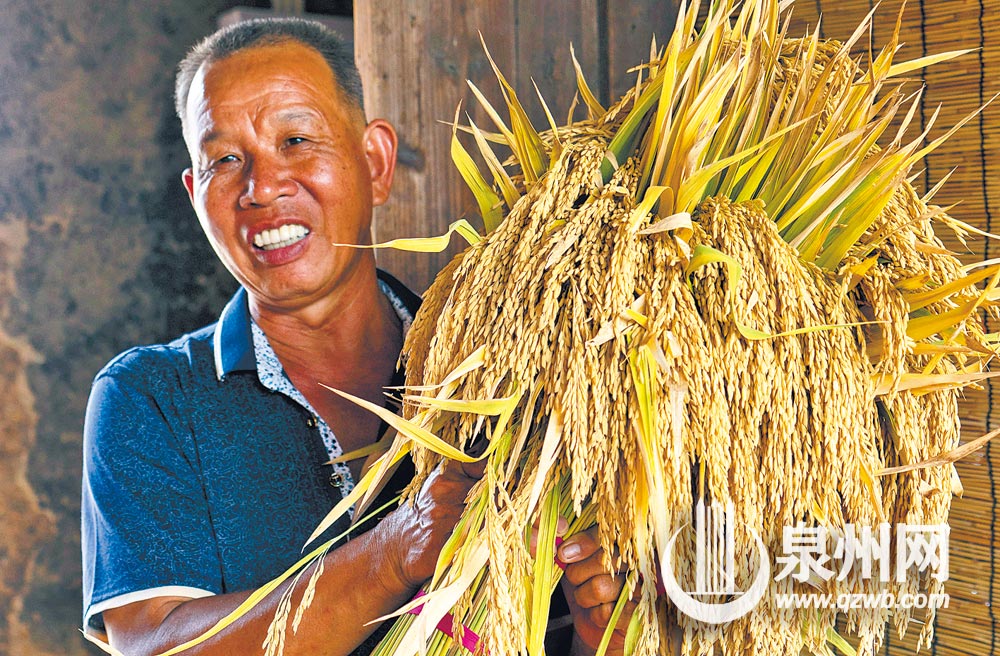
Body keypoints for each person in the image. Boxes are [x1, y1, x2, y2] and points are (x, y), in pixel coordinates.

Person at [82, 17, 633, 656]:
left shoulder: (506, 374)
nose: (262, 188)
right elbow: (152, 648)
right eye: (225, 160)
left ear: (375, 161)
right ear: (195, 194)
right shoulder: (151, 399)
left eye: (296, 139)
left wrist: (606, 635)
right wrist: (395, 551)